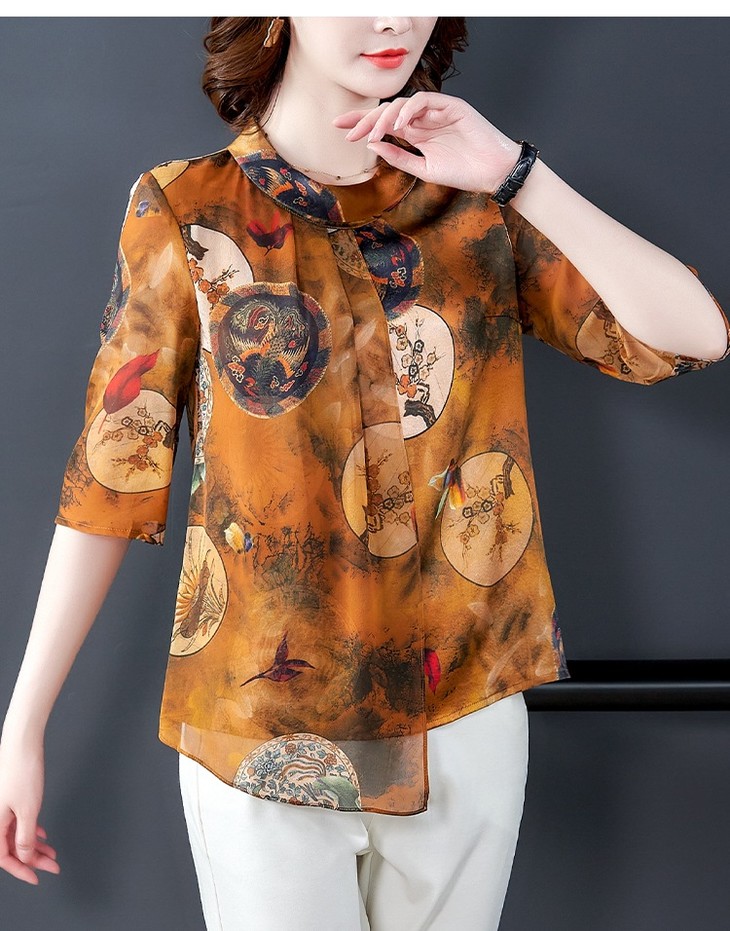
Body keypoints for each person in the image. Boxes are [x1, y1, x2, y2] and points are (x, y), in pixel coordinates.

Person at [1, 15, 728, 931]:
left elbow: (693, 337)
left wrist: (516, 174)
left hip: (465, 708)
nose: (394, 17)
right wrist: (23, 726)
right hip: (263, 727)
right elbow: (112, 477)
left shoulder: (478, 201)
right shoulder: (188, 208)